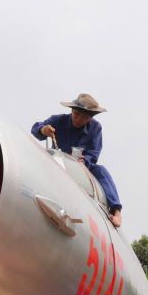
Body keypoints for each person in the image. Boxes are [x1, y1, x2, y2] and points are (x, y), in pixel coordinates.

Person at [31, 93, 123, 227]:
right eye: (76, 114)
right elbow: (36, 129)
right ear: (71, 111)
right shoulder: (58, 120)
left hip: (83, 167)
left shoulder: (96, 128)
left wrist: (84, 161)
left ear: (90, 118)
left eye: (84, 117)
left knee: (102, 171)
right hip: (58, 162)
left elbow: (93, 153)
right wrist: (43, 130)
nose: (78, 119)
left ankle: (117, 212)